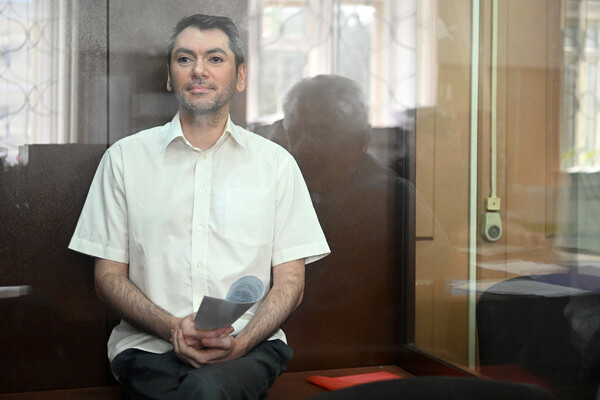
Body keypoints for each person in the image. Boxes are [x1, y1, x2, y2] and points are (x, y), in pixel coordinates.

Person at [69, 14, 329, 399]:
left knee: (205, 391)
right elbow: (107, 277)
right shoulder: (124, 160)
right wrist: (172, 327)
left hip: (249, 346)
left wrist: (242, 343)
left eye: (215, 58)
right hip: (148, 347)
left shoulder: (276, 165)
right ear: (169, 76)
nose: (199, 70)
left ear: (241, 76)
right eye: (185, 58)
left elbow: (291, 281)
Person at [277, 75, 409, 368]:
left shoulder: (375, 201)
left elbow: (327, 323)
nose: (302, 147)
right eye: (295, 132)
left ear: (361, 139)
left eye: (320, 132)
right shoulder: (322, 195)